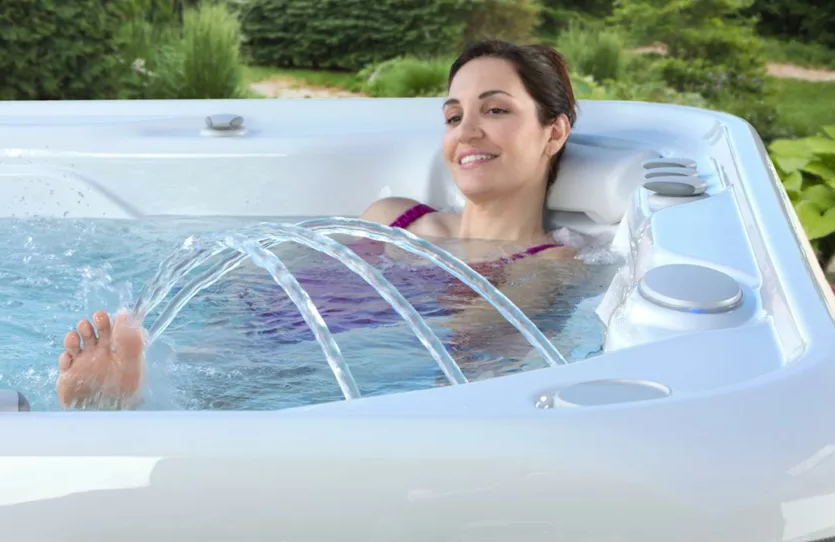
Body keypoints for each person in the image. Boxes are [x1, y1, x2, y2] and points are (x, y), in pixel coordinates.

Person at [55, 38, 578, 409]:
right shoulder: (391, 217)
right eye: (453, 116)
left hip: (330, 379)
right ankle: (129, 395)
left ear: (553, 132)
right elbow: (259, 281)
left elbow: (467, 361)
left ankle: (140, 406)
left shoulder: (550, 263)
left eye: (496, 111)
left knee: (245, 388)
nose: (467, 132)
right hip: (254, 341)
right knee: (203, 360)